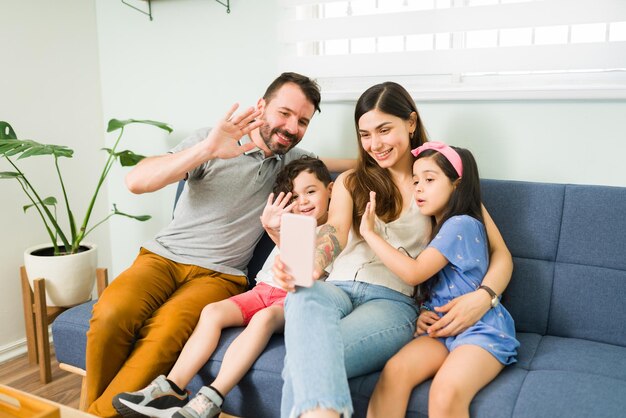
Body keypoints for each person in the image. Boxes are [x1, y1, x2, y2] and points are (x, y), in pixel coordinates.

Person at [85, 72, 328, 417]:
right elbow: (136, 181)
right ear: (261, 106)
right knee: (110, 314)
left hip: (221, 275)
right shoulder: (211, 141)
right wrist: (207, 149)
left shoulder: (295, 164)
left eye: (303, 121)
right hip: (161, 257)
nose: (291, 127)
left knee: (165, 333)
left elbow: (339, 173)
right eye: (284, 113)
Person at [272, 82, 513, 418]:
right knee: (301, 296)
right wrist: (314, 261)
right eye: (365, 134)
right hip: (336, 287)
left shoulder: (435, 182)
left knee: (302, 360)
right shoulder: (351, 181)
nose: (375, 144)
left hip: (391, 300)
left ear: (411, 123)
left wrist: (484, 296)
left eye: (384, 130)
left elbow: (500, 253)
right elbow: (335, 231)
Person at [112, 156, 334, 418]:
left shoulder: (333, 231)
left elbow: (304, 274)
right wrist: (275, 227)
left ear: (330, 190)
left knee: (262, 320)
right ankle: (172, 389)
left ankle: (212, 397)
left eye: (311, 192)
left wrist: (275, 233)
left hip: (292, 300)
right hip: (261, 291)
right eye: (295, 197)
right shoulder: (290, 222)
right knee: (212, 312)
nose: (304, 201)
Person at [364, 142, 519, 418]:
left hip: (480, 327)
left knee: (445, 392)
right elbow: (439, 285)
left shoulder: (461, 223)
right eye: (415, 180)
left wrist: (370, 234)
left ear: (457, 185)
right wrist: (424, 311)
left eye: (430, 180)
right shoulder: (436, 227)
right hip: (441, 328)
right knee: (395, 371)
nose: (419, 187)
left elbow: (414, 272)